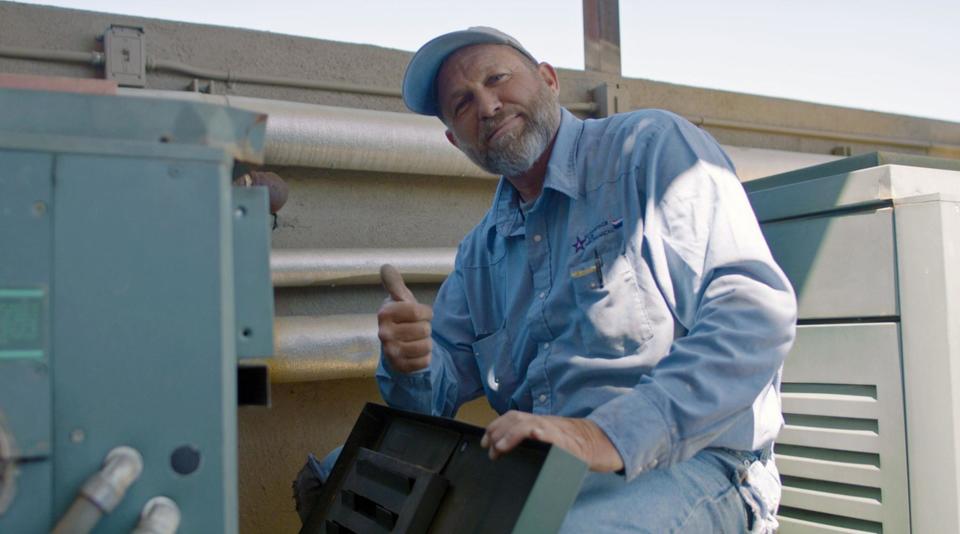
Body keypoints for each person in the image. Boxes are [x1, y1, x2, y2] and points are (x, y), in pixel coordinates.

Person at [298, 27, 796, 533]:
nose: (488, 106)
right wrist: (413, 363)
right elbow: (431, 400)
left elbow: (752, 316)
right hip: (541, 464)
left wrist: (602, 435)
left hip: (694, 460)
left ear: (548, 80)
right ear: (456, 139)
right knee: (336, 480)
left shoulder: (649, 151)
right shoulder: (482, 250)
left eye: (498, 78)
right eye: (463, 104)